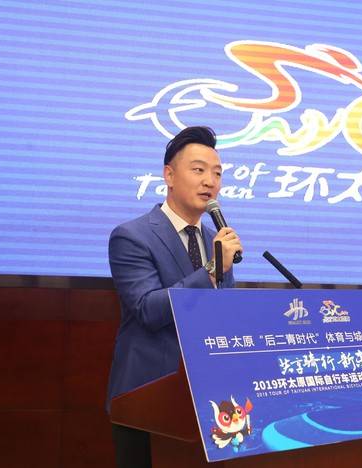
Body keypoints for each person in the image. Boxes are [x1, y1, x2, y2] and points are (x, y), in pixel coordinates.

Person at [106, 126, 242, 468]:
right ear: (169, 175)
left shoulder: (215, 239)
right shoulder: (132, 236)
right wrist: (212, 271)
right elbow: (147, 309)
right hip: (146, 396)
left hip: (208, 397)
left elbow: (223, 316)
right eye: (198, 170)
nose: (210, 182)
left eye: (217, 173)